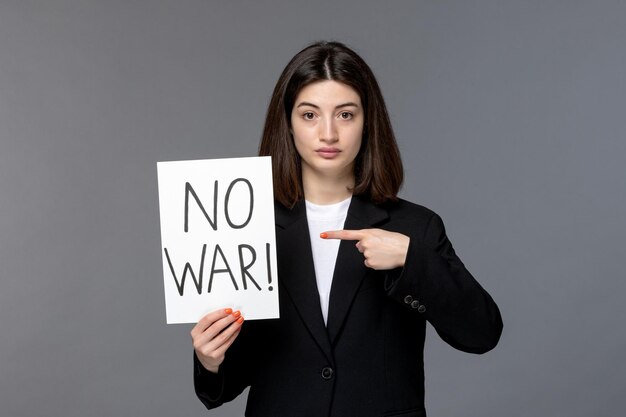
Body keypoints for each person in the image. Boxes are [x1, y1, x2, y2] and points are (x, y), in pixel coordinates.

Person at [191, 41, 502, 417]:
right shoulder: (246, 228)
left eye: (345, 115)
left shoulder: (415, 227)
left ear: (367, 121)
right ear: (287, 123)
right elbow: (229, 381)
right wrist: (209, 360)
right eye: (309, 115)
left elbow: (482, 333)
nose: (328, 134)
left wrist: (409, 259)